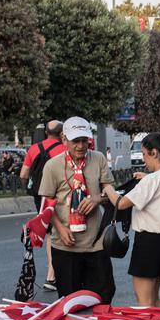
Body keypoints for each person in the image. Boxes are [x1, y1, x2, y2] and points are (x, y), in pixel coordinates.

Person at [37, 117, 116, 301]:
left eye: (84, 141)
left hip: (96, 245)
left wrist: (98, 198)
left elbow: (110, 192)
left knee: (102, 299)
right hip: (65, 247)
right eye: (76, 141)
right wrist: (60, 228)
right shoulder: (52, 166)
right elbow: (47, 203)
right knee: (70, 303)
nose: (81, 146)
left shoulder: (98, 159)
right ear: (64, 139)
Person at [104, 132, 160, 307]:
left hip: (148, 242)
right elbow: (158, 187)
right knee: (154, 299)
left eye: (145, 154)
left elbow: (121, 203)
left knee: (144, 302)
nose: (143, 159)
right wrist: (147, 178)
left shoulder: (152, 180)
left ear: (154, 153)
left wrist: (108, 188)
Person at [21, 120, 66, 291]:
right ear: (62, 134)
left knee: (49, 231)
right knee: (60, 229)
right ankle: (54, 275)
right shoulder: (64, 149)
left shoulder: (34, 148)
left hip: (40, 196)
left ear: (46, 132)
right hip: (59, 195)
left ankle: (51, 276)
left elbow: (23, 174)